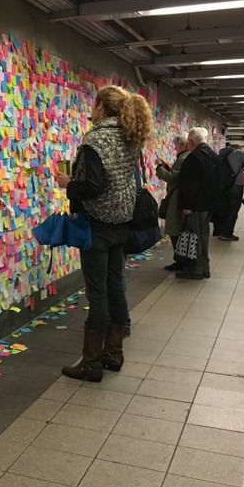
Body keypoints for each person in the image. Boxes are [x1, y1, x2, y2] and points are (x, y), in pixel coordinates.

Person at [56, 86, 152, 381]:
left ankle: (91, 363)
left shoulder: (95, 139)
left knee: (97, 294)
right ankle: (114, 353)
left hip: (96, 225)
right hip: (122, 223)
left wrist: (68, 183)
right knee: (115, 287)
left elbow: (93, 185)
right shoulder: (130, 136)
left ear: (99, 106)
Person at [177, 127, 222, 280]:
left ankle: (195, 269)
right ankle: (204, 267)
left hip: (196, 205)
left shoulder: (194, 157)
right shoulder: (213, 156)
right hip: (209, 204)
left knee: (194, 236)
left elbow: (189, 185)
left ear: (191, 141)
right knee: (203, 236)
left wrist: (186, 206)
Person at [156, 134, 190, 271]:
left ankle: (180, 261)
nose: (174, 148)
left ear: (182, 145)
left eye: (175, 145)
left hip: (176, 196)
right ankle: (180, 260)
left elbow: (172, 177)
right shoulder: (184, 157)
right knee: (175, 229)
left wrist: (159, 167)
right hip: (178, 195)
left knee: (175, 228)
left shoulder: (183, 157)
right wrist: (167, 166)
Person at [218, 143, 244, 241]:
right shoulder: (239, 153)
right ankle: (227, 234)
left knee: (224, 208)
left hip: (222, 186)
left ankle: (219, 231)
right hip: (236, 185)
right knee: (233, 210)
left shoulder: (220, 154)